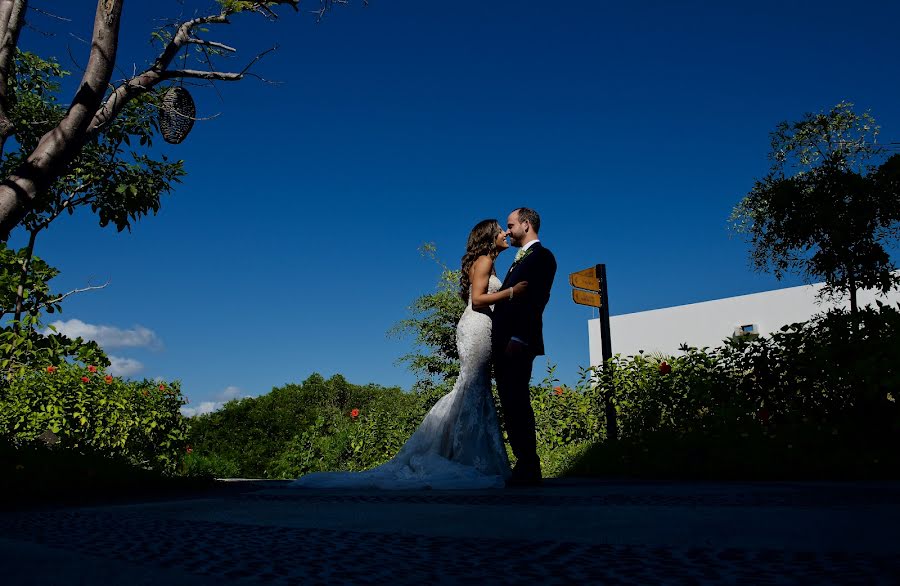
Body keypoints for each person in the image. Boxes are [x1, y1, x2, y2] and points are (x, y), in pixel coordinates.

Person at [291, 219, 527, 489]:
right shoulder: (485, 260)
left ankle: (465, 454)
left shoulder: (488, 261)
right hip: (476, 328)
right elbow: (477, 299)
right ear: (488, 236)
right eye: (500, 229)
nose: (505, 233)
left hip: (478, 326)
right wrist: (511, 292)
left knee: (473, 388)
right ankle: (468, 458)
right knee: (474, 387)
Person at [492, 207, 557, 486]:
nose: (507, 231)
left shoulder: (542, 257)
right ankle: (524, 462)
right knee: (510, 402)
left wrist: (519, 338)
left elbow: (534, 301)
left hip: (518, 341)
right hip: (504, 342)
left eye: (510, 225)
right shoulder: (518, 260)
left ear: (526, 225)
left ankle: (529, 465)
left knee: (517, 402)